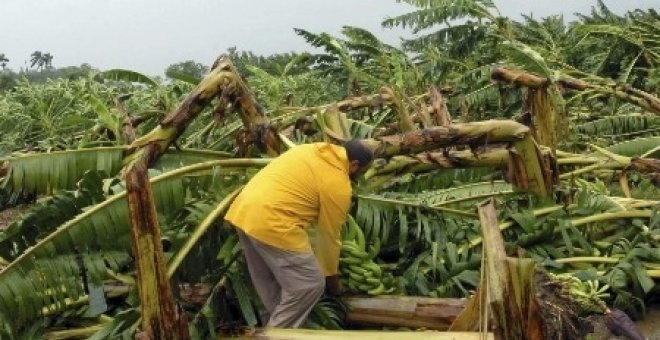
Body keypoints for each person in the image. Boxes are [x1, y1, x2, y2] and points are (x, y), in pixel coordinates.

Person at [224, 140, 373, 328]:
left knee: (268, 281)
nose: (359, 177)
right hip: (274, 222)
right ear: (354, 165)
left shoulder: (311, 149)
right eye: (361, 172)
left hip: (244, 211)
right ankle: (276, 334)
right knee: (309, 284)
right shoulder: (338, 183)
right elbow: (328, 236)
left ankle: (269, 326)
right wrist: (332, 280)